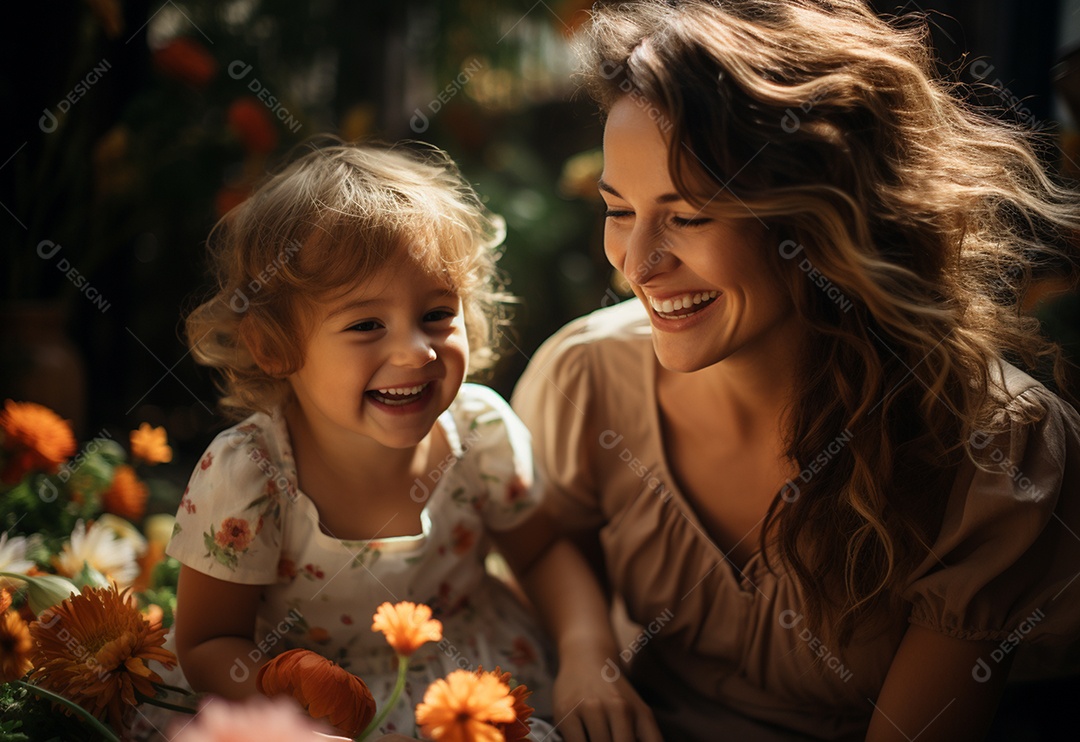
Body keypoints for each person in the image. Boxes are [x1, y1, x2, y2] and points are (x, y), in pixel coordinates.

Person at [510, 1, 1080, 740]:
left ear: (820, 217)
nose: (638, 264)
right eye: (620, 210)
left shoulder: (994, 447)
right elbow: (542, 536)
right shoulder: (587, 375)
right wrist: (587, 654)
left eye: (688, 215)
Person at [167, 142, 560, 738]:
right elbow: (208, 642)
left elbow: (542, 554)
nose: (415, 351)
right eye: (366, 325)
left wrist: (587, 645)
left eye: (435, 313)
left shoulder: (480, 433)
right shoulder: (249, 475)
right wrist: (290, 707)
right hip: (306, 709)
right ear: (274, 346)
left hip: (471, 684)